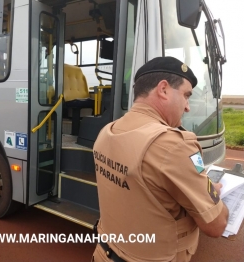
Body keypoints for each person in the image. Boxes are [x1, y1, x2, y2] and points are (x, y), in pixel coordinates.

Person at [92, 57, 229, 262]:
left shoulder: (107, 131)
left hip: (103, 254)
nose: (187, 107)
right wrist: (213, 192)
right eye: (186, 95)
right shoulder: (173, 145)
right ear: (163, 89)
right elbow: (216, 225)